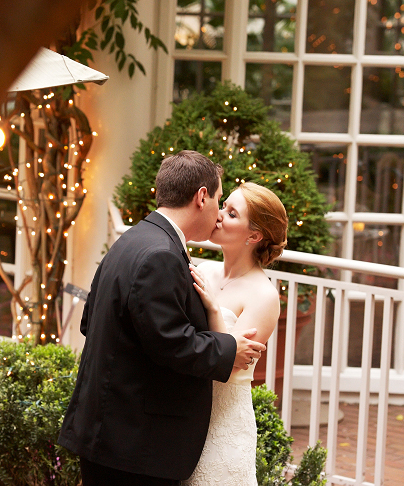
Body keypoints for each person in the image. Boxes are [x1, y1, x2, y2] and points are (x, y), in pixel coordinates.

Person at [58, 151, 266, 485]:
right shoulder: (161, 255)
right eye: (218, 199)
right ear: (201, 197)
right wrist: (228, 349)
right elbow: (171, 343)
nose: (218, 211)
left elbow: (89, 322)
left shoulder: (132, 239)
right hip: (133, 447)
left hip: (109, 436)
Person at [184, 182, 288, 486]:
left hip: (224, 426)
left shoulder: (263, 295)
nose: (218, 216)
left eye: (231, 213)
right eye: (224, 205)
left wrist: (214, 311)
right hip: (187, 418)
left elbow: (228, 368)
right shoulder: (205, 270)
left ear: (254, 236)